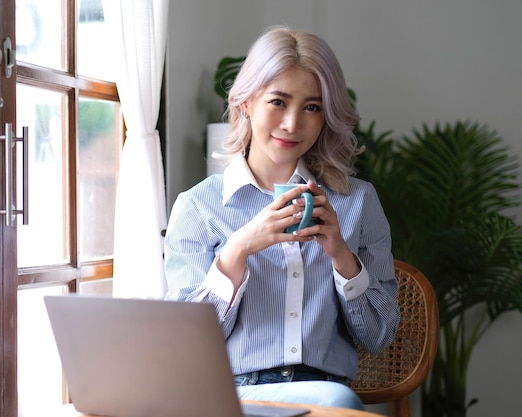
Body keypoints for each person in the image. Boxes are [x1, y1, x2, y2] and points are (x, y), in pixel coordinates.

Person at [164, 25, 400, 411]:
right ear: (245, 103)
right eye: (278, 101)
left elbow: (378, 336)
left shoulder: (358, 203)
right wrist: (238, 250)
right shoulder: (198, 207)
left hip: (326, 394)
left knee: (337, 398)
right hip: (232, 395)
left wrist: (342, 256)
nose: (293, 124)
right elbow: (184, 346)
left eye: (312, 107)